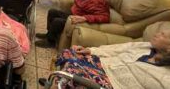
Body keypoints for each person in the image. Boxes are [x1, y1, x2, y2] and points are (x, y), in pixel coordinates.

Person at [39, 30, 170, 88]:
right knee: (73, 51)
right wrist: (92, 50)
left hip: (114, 84)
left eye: (163, 35)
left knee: (73, 74)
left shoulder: (165, 77)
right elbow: (117, 49)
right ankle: (56, 82)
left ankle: (58, 83)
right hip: (106, 65)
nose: (157, 34)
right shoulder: (145, 45)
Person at [35, 0, 110, 48]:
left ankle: (50, 42)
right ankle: (49, 35)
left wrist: (85, 18)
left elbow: (105, 17)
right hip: (74, 14)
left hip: (79, 20)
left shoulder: (96, 1)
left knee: (57, 21)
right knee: (52, 11)